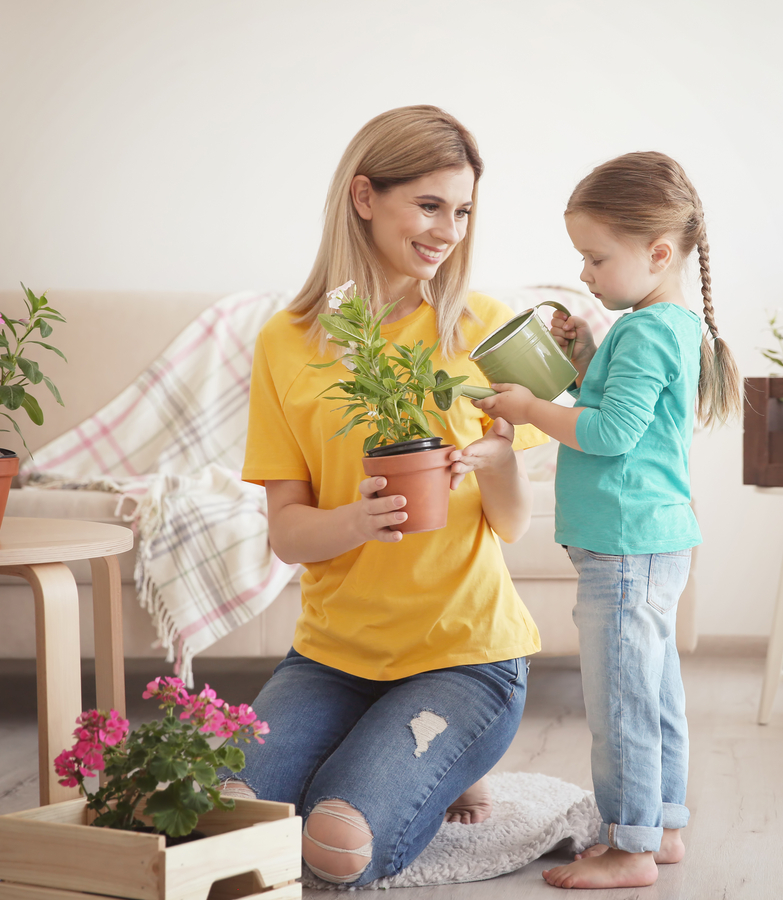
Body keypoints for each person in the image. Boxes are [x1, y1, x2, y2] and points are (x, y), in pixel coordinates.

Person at [223, 105, 548, 886]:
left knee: (336, 843)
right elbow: (289, 533)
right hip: (331, 658)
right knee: (226, 821)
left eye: (462, 210)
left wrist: (500, 460)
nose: (448, 230)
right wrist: (358, 520)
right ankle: (402, 753)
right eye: (429, 205)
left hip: (467, 658)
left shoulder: (493, 328)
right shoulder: (285, 341)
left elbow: (514, 523)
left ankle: (440, 760)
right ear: (364, 197)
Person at [474, 151, 741, 890]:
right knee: (653, 692)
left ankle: (629, 847)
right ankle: (664, 824)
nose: (586, 275)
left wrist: (528, 408)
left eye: (596, 258)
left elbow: (611, 434)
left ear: (659, 252)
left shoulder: (650, 329)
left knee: (622, 702)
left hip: (625, 546)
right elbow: (630, 410)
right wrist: (587, 354)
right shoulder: (664, 323)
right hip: (652, 540)